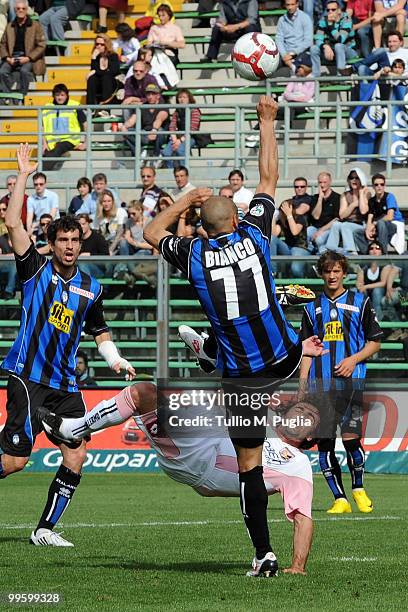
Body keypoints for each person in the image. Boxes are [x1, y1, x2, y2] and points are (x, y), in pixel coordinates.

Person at [143, 96, 326, 577]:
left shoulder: (194, 257)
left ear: (201, 229)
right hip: (284, 360)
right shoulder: (257, 237)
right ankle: (211, 352)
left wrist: (184, 200)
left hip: (242, 376)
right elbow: (268, 179)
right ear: (238, 222)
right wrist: (267, 121)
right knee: (257, 336)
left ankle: (263, 554)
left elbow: (149, 231)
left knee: (249, 464)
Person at [0, 144, 135, 547]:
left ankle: (44, 529)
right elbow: (11, 222)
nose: (70, 245)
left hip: (65, 384)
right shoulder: (34, 268)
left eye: (75, 238)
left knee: (76, 455)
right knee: (16, 461)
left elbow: (99, 330)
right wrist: (23, 174)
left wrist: (114, 358)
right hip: (28, 376)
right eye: (63, 239)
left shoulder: (91, 287)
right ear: (52, 242)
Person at [38, 383, 317, 575]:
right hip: (195, 444)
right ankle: (74, 428)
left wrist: (298, 566)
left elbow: (303, 517)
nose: (301, 414)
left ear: (311, 438)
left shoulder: (298, 463)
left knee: (152, 395)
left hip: (201, 462)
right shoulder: (260, 422)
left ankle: (73, 428)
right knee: (143, 394)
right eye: (300, 409)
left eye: (310, 417)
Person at [300, 251, 382, 514]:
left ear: (343, 273)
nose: (332, 276)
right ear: (321, 273)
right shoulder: (311, 308)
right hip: (321, 386)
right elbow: (306, 349)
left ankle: (358, 487)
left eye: (336, 271)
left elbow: (375, 342)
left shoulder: (361, 302)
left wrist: (352, 360)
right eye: (327, 271)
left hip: (352, 383)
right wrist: (303, 386)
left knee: (350, 439)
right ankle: (340, 498)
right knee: (324, 442)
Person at [0, 0, 46, 98]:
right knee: (2, 72)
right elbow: (3, 44)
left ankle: (22, 96)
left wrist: (28, 58)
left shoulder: (35, 25)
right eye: (18, 9)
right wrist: (8, 58)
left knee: (24, 72)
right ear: (14, 10)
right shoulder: (9, 26)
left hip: (28, 58)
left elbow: (41, 45)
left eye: (23, 8)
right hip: (12, 57)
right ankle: (7, 96)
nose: (21, 10)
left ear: (27, 11)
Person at [41, 83, 87, 171]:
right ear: (53, 96)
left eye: (62, 95)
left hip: (69, 140)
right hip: (52, 143)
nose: (60, 97)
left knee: (59, 148)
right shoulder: (47, 107)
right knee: (48, 152)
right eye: (57, 95)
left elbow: (86, 124)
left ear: (67, 95)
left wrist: (86, 143)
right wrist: (44, 143)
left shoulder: (75, 106)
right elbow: (42, 127)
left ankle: (42, 172)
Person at [325, 168, 369, 255]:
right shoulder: (345, 195)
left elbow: (363, 211)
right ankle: (331, 250)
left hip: (361, 224)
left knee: (345, 226)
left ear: (361, 179)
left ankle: (351, 252)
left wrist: (360, 193)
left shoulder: (366, 193)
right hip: (348, 222)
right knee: (336, 225)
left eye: (357, 178)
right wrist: (353, 205)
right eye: (351, 178)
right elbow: (342, 215)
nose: (354, 180)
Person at [121, 82, 169, 157]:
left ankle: (157, 156)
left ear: (158, 96)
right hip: (145, 134)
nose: (150, 96)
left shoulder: (163, 105)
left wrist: (154, 130)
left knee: (160, 131)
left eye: (153, 94)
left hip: (159, 135)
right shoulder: (143, 106)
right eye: (148, 94)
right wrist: (124, 126)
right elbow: (133, 119)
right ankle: (140, 154)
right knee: (126, 132)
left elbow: (159, 119)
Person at [310, 0, 357, 76]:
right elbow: (318, 39)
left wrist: (331, 25)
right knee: (313, 48)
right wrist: (325, 46)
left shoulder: (346, 19)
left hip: (348, 51)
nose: (330, 12)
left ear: (339, 10)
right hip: (330, 51)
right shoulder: (323, 20)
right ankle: (316, 78)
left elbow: (340, 39)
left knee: (338, 46)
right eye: (328, 10)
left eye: (333, 9)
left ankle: (340, 77)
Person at [362, 173, 405, 254]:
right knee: (357, 232)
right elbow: (370, 217)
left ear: (384, 185)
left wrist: (374, 223)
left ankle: (383, 254)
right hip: (380, 226)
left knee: (381, 223)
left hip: (394, 224)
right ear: (373, 186)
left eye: (382, 184)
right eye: (376, 184)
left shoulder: (389, 196)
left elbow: (390, 217)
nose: (379, 186)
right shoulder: (372, 200)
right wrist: (368, 229)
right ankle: (366, 256)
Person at [356, 240, 399, 320]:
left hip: (382, 293)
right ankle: (359, 320)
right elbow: (359, 282)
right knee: (354, 291)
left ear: (381, 252)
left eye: (377, 248)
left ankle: (377, 320)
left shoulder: (385, 265)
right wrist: (360, 286)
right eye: (371, 248)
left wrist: (366, 286)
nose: (374, 250)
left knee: (377, 291)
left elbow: (383, 283)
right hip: (367, 293)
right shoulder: (364, 267)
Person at [161, 89, 201, 168]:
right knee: (166, 152)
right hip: (177, 137)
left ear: (189, 99)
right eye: (179, 97)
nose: (182, 99)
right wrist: (174, 139)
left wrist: (180, 141)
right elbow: (172, 126)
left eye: (184, 97)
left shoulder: (194, 110)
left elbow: (193, 128)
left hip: (190, 137)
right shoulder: (177, 111)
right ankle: (171, 172)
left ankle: (183, 172)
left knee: (180, 150)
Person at [271, 199, 311, 277]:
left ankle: (303, 284)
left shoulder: (300, 218)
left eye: (287, 207)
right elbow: (274, 234)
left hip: (300, 248)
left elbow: (295, 232)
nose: (284, 210)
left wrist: (289, 215)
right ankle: (273, 272)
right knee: (272, 239)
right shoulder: (282, 220)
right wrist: (273, 218)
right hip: (288, 248)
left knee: (295, 269)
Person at [307, 171, 341, 254]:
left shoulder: (337, 198)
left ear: (330, 182)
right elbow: (316, 216)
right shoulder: (315, 198)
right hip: (315, 227)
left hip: (329, 228)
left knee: (319, 240)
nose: (322, 185)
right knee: (308, 231)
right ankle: (313, 252)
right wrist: (320, 199)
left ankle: (320, 253)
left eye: (325, 182)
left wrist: (321, 230)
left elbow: (337, 219)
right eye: (320, 182)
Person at [275, 0, 313, 72]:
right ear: (285, 5)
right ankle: (293, 67)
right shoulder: (281, 20)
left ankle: (293, 68)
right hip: (285, 53)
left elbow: (308, 41)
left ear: (297, 4)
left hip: (301, 52)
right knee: (270, 64)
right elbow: (279, 39)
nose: (290, 7)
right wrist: (284, 54)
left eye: (292, 4)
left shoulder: (305, 18)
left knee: (302, 65)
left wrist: (293, 53)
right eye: (288, 5)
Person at [86, 34, 120, 106]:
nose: (99, 46)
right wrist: (93, 58)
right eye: (97, 44)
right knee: (91, 79)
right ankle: (90, 107)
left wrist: (96, 71)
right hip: (99, 83)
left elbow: (113, 71)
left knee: (106, 78)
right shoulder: (96, 57)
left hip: (111, 83)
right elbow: (93, 70)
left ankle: (105, 108)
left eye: (102, 44)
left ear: (106, 45)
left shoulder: (113, 56)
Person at [94, 189, 128, 255]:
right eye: (104, 201)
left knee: (123, 242)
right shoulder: (98, 216)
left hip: (117, 243)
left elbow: (120, 233)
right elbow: (97, 233)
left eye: (109, 201)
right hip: (106, 243)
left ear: (113, 202)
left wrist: (110, 250)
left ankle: (125, 262)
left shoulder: (120, 212)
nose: (106, 204)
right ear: (100, 203)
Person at [26, 171, 59, 236]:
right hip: (39, 228)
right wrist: (29, 231)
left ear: (45, 184)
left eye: (41, 184)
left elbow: (52, 215)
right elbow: (29, 217)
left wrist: (36, 225)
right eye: (36, 184)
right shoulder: (30, 199)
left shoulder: (53, 196)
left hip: (53, 226)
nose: (38, 186)